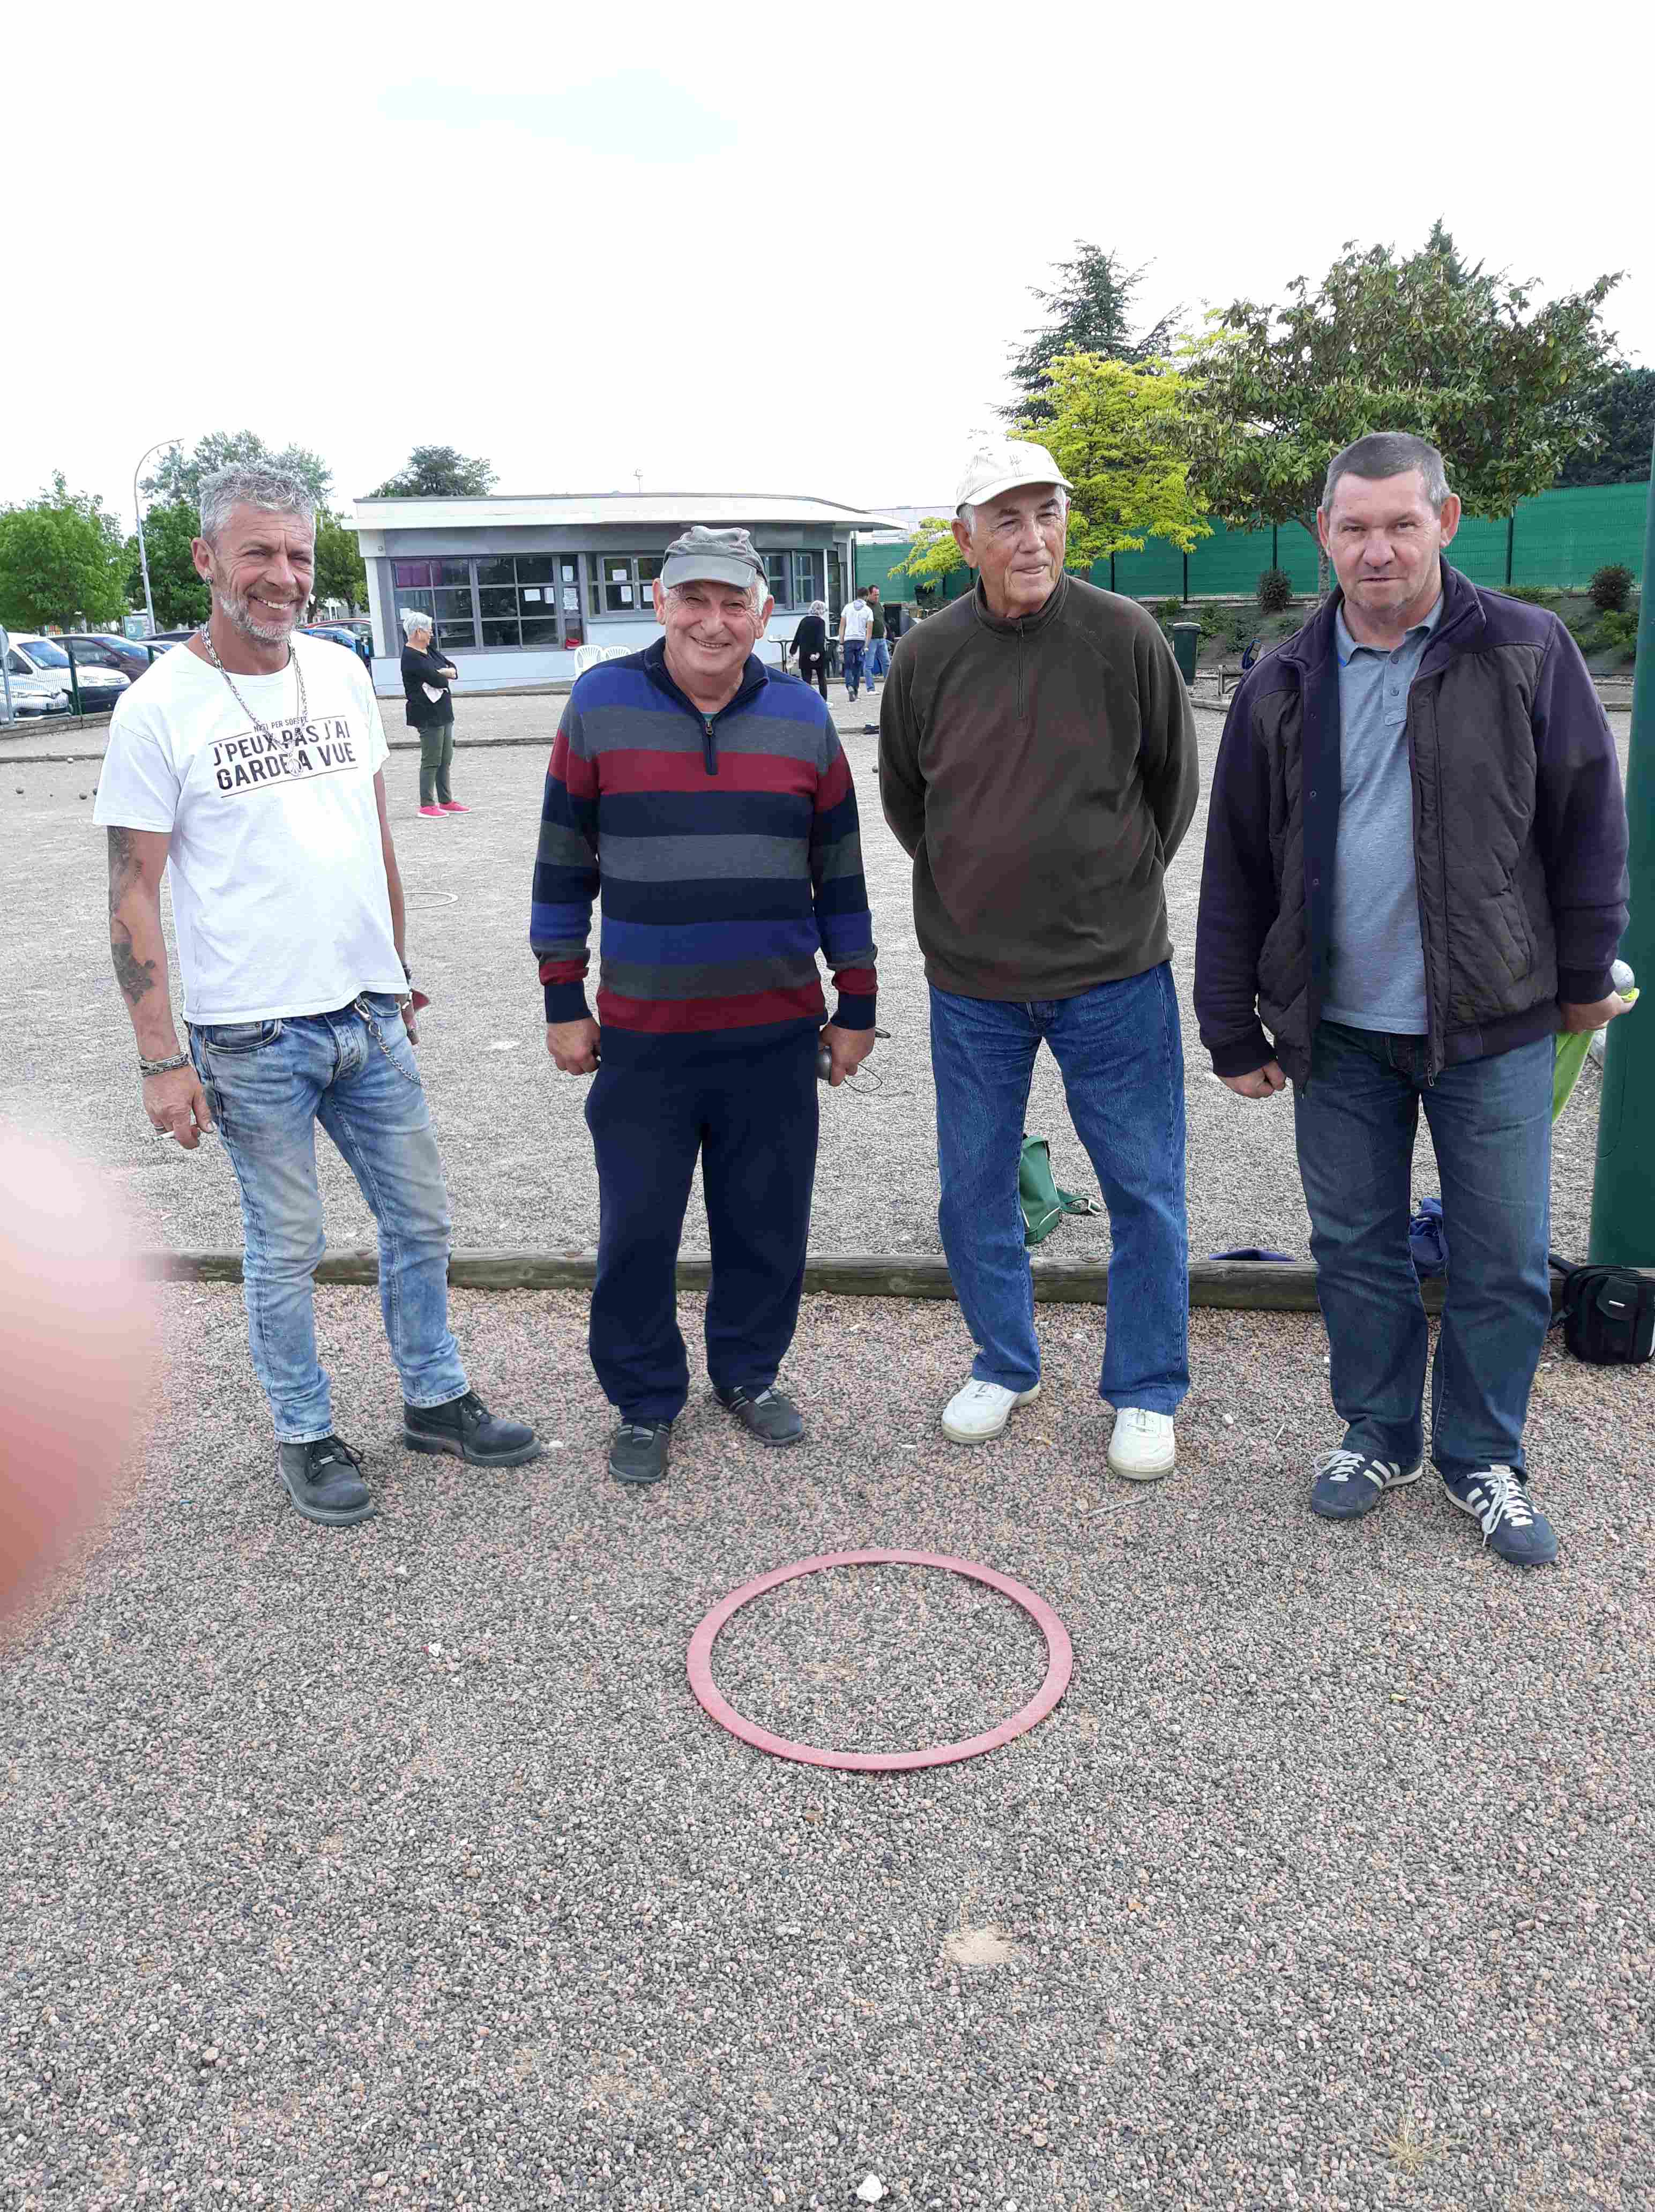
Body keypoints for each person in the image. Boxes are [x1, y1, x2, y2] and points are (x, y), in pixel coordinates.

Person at [1195, 432, 1631, 1567]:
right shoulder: (1282, 678)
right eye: (1353, 527)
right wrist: (1228, 1022)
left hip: (1492, 1021)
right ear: (1323, 535)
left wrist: (1583, 975)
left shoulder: (1525, 650)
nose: (1376, 548)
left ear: (1444, 521)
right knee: (1354, 1247)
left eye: (1399, 523)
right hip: (1337, 1030)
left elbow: (1587, 821)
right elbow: (1236, 861)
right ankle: (1378, 1431)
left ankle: (1480, 1453)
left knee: (1502, 1254)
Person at [94, 464, 538, 1530]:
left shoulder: (339, 672)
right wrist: (161, 1060)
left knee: (420, 1220)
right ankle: (305, 1429)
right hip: (251, 1034)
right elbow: (132, 891)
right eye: (258, 552)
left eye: (297, 555)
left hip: (370, 1013)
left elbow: (370, 834)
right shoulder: (156, 709)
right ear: (206, 559)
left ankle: (433, 1397)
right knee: (286, 1244)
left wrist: (396, 968)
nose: (283, 576)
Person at [879, 438, 1199, 1479]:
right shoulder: (924, 657)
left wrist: (1111, 888)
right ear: (963, 537)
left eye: (1046, 513)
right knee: (973, 1188)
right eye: (1006, 520)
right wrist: (975, 888)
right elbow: (908, 804)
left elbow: (1170, 788)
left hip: (1115, 975)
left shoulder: (1125, 636)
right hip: (973, 984)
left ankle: (1145, 1388)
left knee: (1142, 1187)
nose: (1031, 539)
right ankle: (1002, 1362)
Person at [532, 526, 877, 1486]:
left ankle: (748, 1371)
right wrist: (563, 996)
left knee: (766, 1222)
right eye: (694, 599)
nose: (712, 622)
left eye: (733, 603)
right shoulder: (601, 704)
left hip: (774, 1031)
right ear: (660, 602)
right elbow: (562, 860)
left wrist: (856, 1000)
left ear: (762, 615)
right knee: (637, 1230)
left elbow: (840, 871)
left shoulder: (804, 715)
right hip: (644, 1035)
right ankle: (644, 1397)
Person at [399, 608, 466, 817]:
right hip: (427, 714)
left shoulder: (430, 650)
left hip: (444, 711)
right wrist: (444, 674)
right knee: (431, 760)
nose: (431, 633)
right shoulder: (411, 656)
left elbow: (451, 668)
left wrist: (444, 673)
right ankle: (427, 804)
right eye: (429, 630)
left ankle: (446, 801)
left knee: (445, 759)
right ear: (418, 632)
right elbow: (438, 680)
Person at [839, 588, 873, 701]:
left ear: (857, 595)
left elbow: (842, 626)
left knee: (848, 666)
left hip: (848, 640)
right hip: (860, 641)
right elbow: (869, 631)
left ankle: (849, 686)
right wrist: (866, 645)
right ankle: (856, 691)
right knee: (858, 667)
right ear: (866, 596)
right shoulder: (868, 610)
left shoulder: (847, 608)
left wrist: (841, 642)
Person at [793, 599, 830, 701]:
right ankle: (824, 701)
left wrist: (792, 651)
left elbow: (797, 637)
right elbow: (820, 639)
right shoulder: (821, 622)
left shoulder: (804, 621)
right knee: (821, 678)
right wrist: (817, 653)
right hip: (818, 655)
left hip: (805, 654)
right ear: (821, 610)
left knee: (806, 680)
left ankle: (807, 701)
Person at [863, 588, 889, 695]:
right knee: (869, 665)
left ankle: (889, 686)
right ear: (869, 594)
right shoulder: (865, 607)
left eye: (878, 595)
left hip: (881, 638)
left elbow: (881, 619)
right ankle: (870, 688)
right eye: (875, 595)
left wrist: (885, 629)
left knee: (887, 663)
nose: (877, 597)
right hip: (871, 639)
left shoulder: (879, 605)